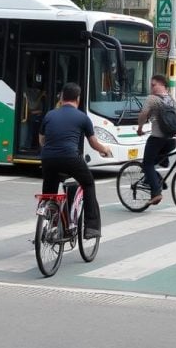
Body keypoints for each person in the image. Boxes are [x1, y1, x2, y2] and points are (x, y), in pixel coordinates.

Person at [39, 82, 112, 239]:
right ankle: (91, 227)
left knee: (50, 192)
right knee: (88, 183)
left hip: (48, 159)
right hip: (70, 158)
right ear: (77, 99)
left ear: (61, 97)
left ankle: (50, 224)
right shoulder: (82, 117)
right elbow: (93, 143)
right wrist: (105, 149)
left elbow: (42, 140)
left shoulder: (50, 115)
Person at [136, 74, 176, 206]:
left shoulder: (152, 99)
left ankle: (156, 192)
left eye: (154, 85)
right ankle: (157, 179)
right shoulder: (171, 99)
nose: (151, 87)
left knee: (147, 164)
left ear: (162, 85)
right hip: (171, 141)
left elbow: (143, 114)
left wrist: (140, 128)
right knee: (156, 162)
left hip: (157, 139)